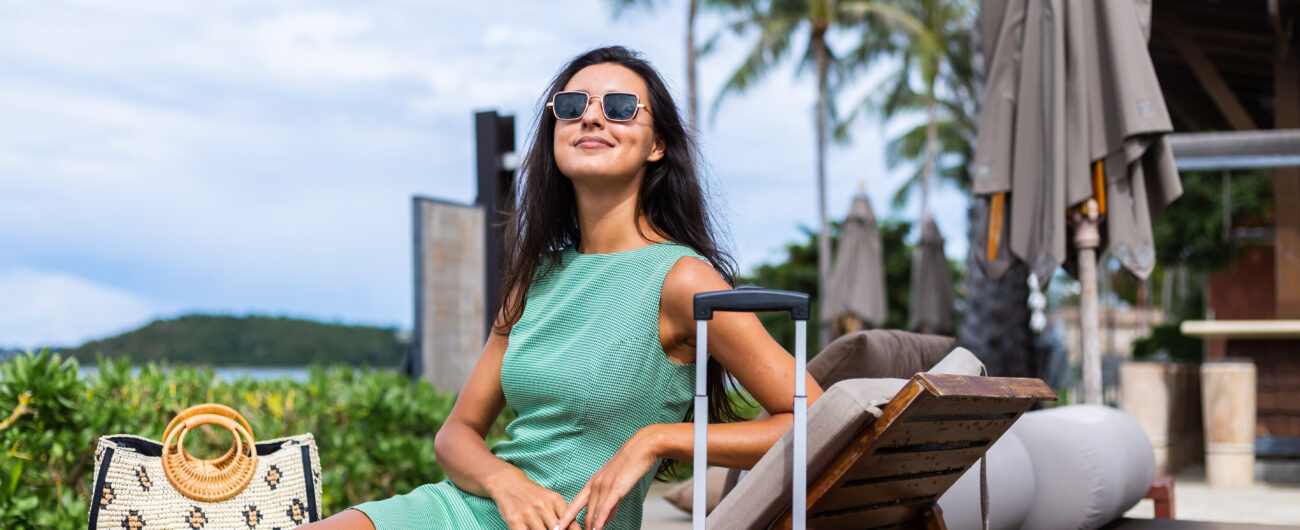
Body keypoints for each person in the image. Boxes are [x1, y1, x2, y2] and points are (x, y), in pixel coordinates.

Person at [307, 45, 823, 530]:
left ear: (657, 145)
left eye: (620, 107)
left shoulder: (682, 279)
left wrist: (657, 439)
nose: (591, 117)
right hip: (464, 508)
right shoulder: (534, 277)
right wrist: (506, 484)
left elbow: (816, 420)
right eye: (573, 105)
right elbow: (456, 433)